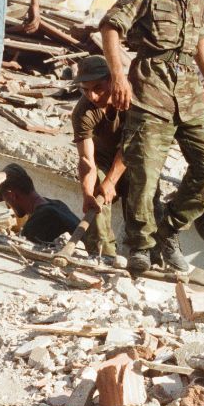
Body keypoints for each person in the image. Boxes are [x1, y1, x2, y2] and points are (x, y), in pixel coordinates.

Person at [101, 0, 204, 276]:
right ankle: (141, 246)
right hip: (151, 86)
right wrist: (118, 76)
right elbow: (110, 27)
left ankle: (168, 231)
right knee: (145, 173)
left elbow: (199, 37)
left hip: (188, 91)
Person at [70, 55, 130, 267]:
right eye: (85, 90)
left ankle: (144, 257)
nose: (92, 96)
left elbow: (130, 147)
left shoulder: (133, 100)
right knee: (97, 198)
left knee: (144, 204)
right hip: (103, 160)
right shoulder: (83, 112)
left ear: (113, 80)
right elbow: (87, 159)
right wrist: (87, 193)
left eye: (98, 88)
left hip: (135, 160)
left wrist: (112, 181)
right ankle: (102, 258)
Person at [0, 163, 80, 246]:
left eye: (5, 200)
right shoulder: (57, 204)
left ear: (11, 195)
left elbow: (22, 247)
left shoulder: (41, 218)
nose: (8, 206)